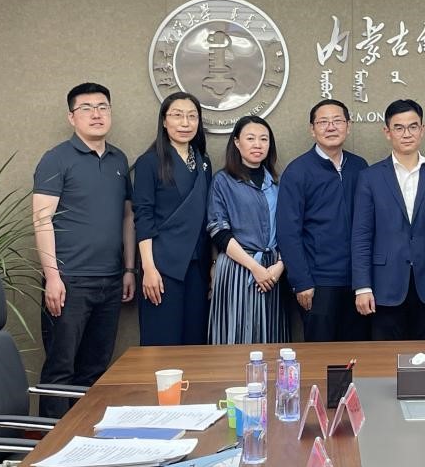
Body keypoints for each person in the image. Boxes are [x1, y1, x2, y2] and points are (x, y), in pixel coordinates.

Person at [32, 82, 135, 417]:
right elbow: (42, 220)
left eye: (103, 107)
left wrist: (129, 269)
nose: (96, 114)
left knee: (95, 369)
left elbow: (127, 217)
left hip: (110, 280)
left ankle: (84, 437)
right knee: (60, 368)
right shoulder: (56, 159)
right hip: (69, 282)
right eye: (86, 108)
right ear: (71, 117)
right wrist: (52, 277)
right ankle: (52, 442)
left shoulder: (119, 159)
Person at [352, 99, 425, 340]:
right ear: (387, 132)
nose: (406, 134)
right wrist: (362, 287)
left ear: (422, 130)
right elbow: (361, 236)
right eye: (398, 128)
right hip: (384, 286)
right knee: (385, 357)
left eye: (413, 126)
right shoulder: (370, 177)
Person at [276, 99, 368, 342]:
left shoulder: (359, 167)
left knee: (356, 352)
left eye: (337, 121)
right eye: (323, 122)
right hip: (318, 282)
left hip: (357, 281)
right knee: (321, 352)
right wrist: (301, 281)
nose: (331, 127)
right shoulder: (298, 171)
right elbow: (288, 232)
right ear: (312, 129)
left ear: (348, 126)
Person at [130, 91, 211, 347]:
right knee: (162, 342)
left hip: (197, 266)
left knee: (194, 341)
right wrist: (148, 268)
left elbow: (207, 217)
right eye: (177, 115)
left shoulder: (204, 162)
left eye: (192, 116)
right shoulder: (149, 162)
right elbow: (143, 215)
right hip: (162, 266)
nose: (185, 123)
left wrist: (212, 264)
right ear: (164, 121)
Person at [207, 115, 288, 345]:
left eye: (264, 139)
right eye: (250, 138)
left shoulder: (277, 182)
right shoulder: (223, 181)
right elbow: (218, 230)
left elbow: (289, 228)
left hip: (273, 271)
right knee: (237, 337)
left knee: (271, 340)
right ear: (236, 142)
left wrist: (279, 266)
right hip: (238, 268)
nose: (257, 144)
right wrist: (255, 267)